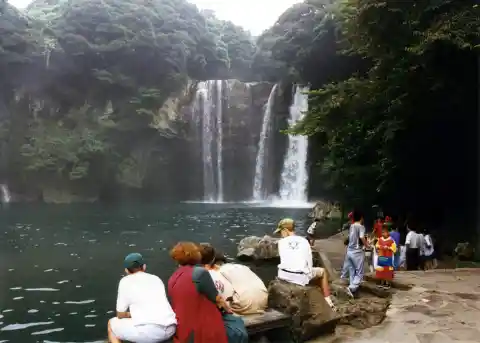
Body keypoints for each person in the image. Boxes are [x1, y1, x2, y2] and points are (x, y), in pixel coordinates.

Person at [168, 242, 230, 343]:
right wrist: (229, 311)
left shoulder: (173, 277)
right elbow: (217, 298)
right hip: (201, 328)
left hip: (182, 326)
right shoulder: (200, 273)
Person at [108, 253, 176, 343]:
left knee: (111, 324)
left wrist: (133, 314)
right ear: (144, 267)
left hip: (150, 332)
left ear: (126, 270)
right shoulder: (156, 279)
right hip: (171, 328)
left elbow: (120, 314)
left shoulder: (125, 281)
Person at [274, 218, 337, 311]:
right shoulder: (304, 241)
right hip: (300, 277)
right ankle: (328, 302)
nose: (280, 235)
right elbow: (309, 261)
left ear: (286, 230)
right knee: (322, 272)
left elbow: (284, 259)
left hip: (283, 275)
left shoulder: (281, 242)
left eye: (281, 232)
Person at [201, 244, 268, 315]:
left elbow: (225, 295)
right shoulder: (241, 267)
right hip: (263, 301)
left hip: (245, 305)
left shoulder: (218, 272)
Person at [344, 210, 369, 298]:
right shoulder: (361, 227)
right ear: (361, 218)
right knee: (359, 272)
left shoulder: (352, 226)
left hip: (349, 251)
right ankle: (351, 288)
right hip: (357, 252)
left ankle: (352, 291)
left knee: (352, 270)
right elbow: (361, 237)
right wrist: (367, 245)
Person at [340, 212, 354, 281]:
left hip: (351, 244)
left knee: (348, 260)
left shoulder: (349, 224)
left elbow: (342, 229)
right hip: (354, 244)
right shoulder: (353, 224)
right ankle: (345, 275)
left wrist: (345, 237)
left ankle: (344, 275)